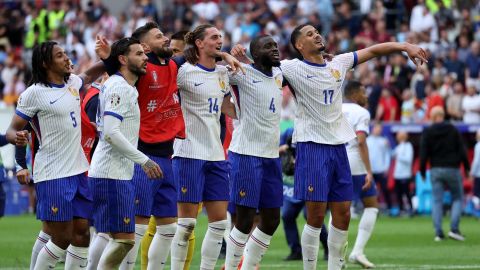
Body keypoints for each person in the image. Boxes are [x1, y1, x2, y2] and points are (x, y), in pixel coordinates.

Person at [232, 23, 427, 269]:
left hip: (338, 147)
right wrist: (242, 58)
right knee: (314, 216)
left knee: (343, 213)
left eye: (317, 32)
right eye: (309, 34)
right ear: (299, 45)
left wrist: (404, 46)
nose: (317, 35)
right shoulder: (292, 67)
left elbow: (374, 51)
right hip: (312, 147)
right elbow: (260, 71)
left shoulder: (339, 63)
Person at [6, 40, 104, 270]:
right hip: (53, 174)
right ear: (45, 62)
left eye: (66, 53)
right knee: (61, 237)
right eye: (60, 55)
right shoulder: (34, 93)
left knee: (82, 233)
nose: (67, 58)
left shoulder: (72, 82)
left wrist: (114, 53)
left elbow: (90, 74)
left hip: (79, 170)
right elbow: (12, 129)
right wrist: (16, 138)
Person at [88, 37, 163, 269]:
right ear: (122, 59)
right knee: (123, 240)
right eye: (139, 54)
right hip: (111, 174)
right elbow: (111, 132)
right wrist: (144, 160)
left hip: (112, 172)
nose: (145, 58)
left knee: (108, 235)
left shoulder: (122, 85)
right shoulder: (120, 87)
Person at [170, 24, 241, 270]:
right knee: (186, 224)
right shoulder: (184, 72)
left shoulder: (222, 74)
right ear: (199, 43)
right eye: (213, 37)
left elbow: (226, 105)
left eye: (221, 37)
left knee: (219, 224)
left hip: (215, 155)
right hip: (188, 153)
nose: (219, 41)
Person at [223, 35, 284, 270]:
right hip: (246, 154)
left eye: (276, 45)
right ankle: (230, 268)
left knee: (271, 220)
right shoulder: (241, 74)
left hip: (271, 156)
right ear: (256, 54)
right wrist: (228, 55)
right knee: (244, 219)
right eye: (268, 47)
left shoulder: (279, 75)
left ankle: (246, 267)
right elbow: (212, 71)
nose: (275, 49)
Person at [341, 80, 378, 268]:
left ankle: (337, 257)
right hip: (355, 162)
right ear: (354, 94)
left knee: (338, 206)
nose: (366, 96)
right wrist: (369, 171)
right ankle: (357, 252)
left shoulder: (335, 108)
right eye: (363, 92)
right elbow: (361, 141)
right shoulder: (362, 113)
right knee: (371, 205)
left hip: (336, 160)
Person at [420, 106, 470, 242]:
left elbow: (423, 153)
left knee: (437, 200)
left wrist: (422, 171)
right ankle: (454, 229)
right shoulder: (453, 129)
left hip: (436, 169)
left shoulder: (428, 131)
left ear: (432, 116)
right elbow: (462, 150)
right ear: (443, 115)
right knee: (458, 198)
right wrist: (466, 168)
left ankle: (438, 232)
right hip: (452, 168)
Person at [280, 128, 329, 262]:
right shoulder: (289, 131)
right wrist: (285, 150)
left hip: (311, 179)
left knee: (311, 215)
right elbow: (278, 148)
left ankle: (327, 247)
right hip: (293, 183)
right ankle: (296, 250)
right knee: (287, 215)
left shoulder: (315, 131)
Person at [367, 123, 393, 213]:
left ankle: (389, 208)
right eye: (376, 129)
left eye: (380, 129)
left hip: (381, 169)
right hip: (370, 170)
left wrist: (386, 167)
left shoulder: (384, 141)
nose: (378, 130)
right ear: (373, 129)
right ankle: (370, 208)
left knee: (385, 189)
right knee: (369, 190)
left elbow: (387, 155)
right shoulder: (367, 140)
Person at [392, 131, 414, 216]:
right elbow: (393, 155)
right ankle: (401, 209)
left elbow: (408, 159)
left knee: (407, 193)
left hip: (405, 174)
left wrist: (399, 156)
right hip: (397, 174)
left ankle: (410, 209)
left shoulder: (408, 146)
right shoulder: (398, 147)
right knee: (399, 193)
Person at [470, 130, 480, 202]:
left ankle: (477, 211)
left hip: (478, 174)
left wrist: (472, 173)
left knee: (476, 194)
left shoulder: (478, 146)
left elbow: (476, 161)